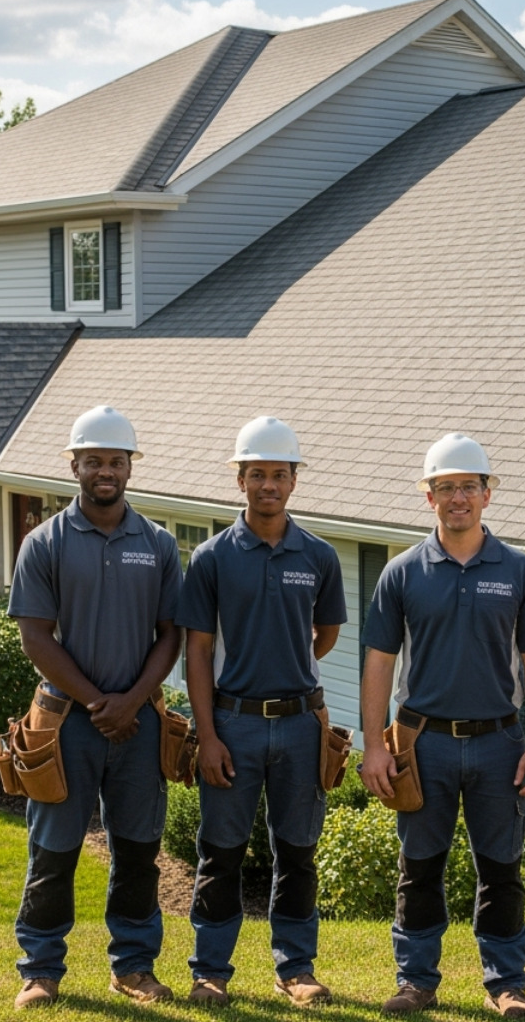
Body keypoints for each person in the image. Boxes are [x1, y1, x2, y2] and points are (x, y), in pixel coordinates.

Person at [358, 433, 525, 1019]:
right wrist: (374, 745)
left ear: (487, 494)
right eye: (445, 487)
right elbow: (379, 662)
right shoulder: (402, 572)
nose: (458, 498)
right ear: (429, 497)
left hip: (500, 743)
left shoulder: (519, 571)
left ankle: (506, 985)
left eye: (469, 486)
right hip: (423, 745)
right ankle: (415, 981)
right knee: (419, 868)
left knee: (501, 870)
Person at [7, 405, 182, 1010]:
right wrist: (97, 702)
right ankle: (40, 970)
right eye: (93, 461)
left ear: (130, 467)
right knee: (53, 852)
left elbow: (170, 635)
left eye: (115, 460)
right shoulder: (44, 543)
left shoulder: (158, 543)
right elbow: (35, 637)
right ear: (74, 466)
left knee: (137, 852)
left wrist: (129, 704)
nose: (105, 470)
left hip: (139, 724)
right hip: (64, 725)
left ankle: (132, 967)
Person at [177, 416, 348, 1008]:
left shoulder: (319, 556)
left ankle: (295, 969)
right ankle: (210, 971)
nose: (268, 484)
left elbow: (325, 634)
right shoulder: (212, 558)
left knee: (297, 853)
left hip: (301, 725)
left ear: (294, 480)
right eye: (257, 474)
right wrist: (207, 735)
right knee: (220, 853)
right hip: (233, 725)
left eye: (278, 474)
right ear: (240, 480)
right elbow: (198, 651)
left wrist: (287, 664)